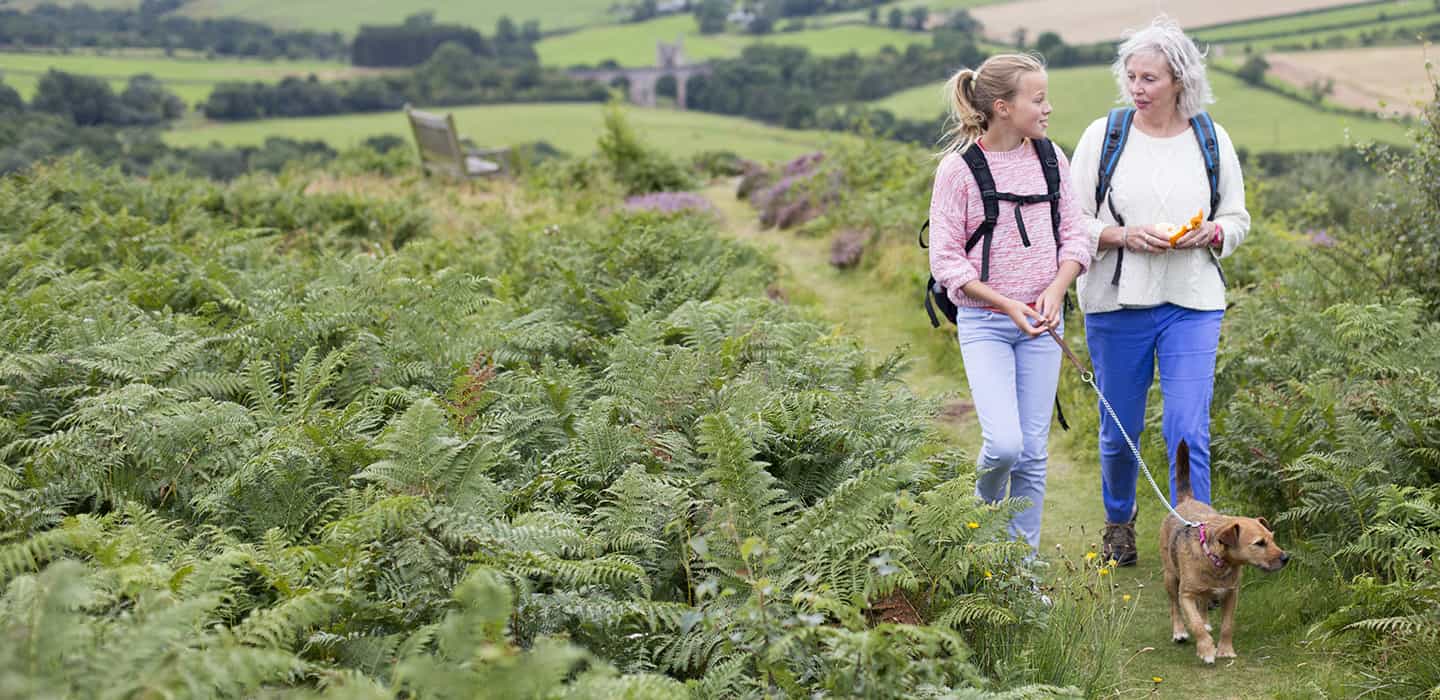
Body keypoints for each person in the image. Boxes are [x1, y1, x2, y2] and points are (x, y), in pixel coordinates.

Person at [1068, 17, 1252, 566]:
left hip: (1192, 300)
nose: (1137, 88)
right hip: (1116, 302)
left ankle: (1199, 543)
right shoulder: (1104, 136)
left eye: (1149, 78)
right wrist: (1120, 234)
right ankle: (1119, 525)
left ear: (1179, 80)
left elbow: (1238, 217)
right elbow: (1070, 221)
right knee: (1120, 429)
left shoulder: (1210, 138)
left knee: (1187, 425)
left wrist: (1215, 232)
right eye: (1130, 77)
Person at [928, 53, 1091, 552]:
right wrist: (1006, 304)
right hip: (985, 324)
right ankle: (975, 534)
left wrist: (1056, 290)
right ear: (1002, 107)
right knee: (1004, 446)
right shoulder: (957, 171)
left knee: (1034, 454)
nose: (1048, 109)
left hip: (1044, 324)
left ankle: (1023, 573)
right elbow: (946, 261)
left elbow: (1076, 235)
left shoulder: (1051, 158)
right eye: (1037, 99)